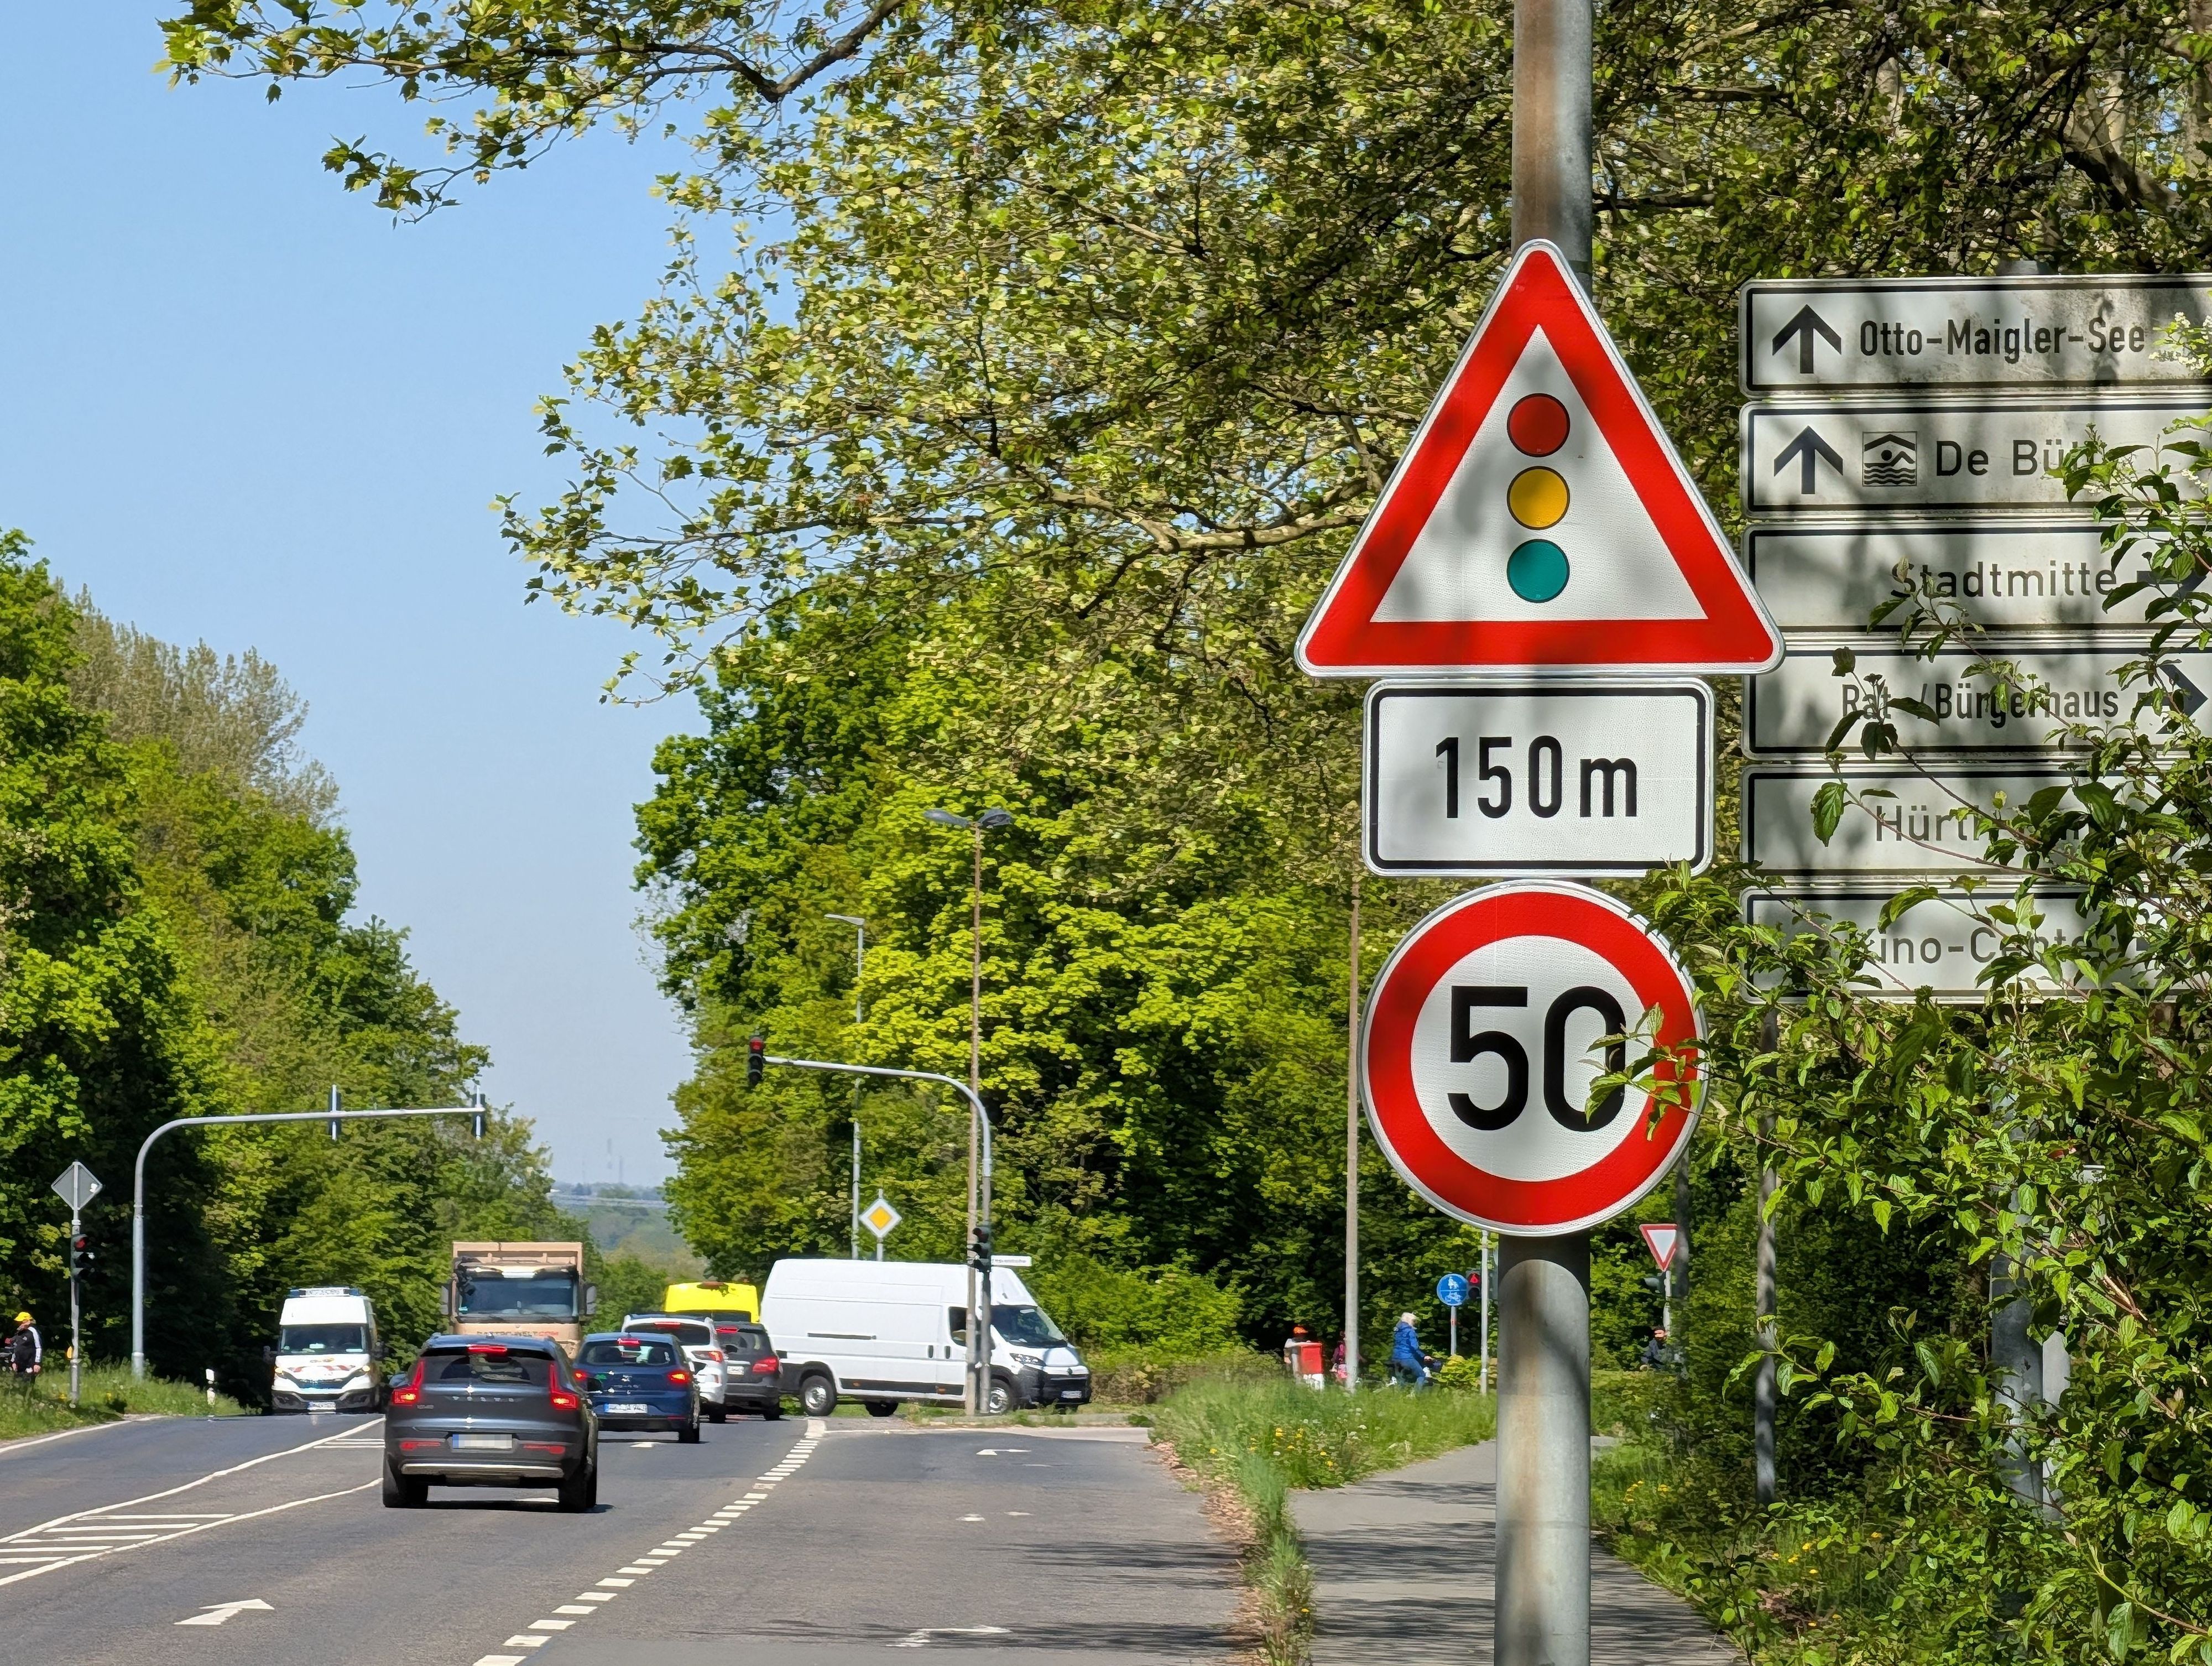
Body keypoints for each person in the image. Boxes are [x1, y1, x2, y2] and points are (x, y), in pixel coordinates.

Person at [1390, 1311, 1431, 1389]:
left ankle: (1399, 1396)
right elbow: (1415, 1347)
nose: (1415, 1323)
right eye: (1414, 1321)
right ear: (1410, 1321)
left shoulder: (1397, 1331)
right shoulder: (1410, 1331)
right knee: (1421, 1375)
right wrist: (1424, 1356)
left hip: (1395, 1358)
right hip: (1407, 1358)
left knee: (1401, 1378)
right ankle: (1415, 1396)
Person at [8, 1311, 41, 1377]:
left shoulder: (33, 1331)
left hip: (29, 1365)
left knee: (27, 1385)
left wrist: (37, 1363)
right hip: (19, 1365)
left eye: (21, 1322)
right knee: (18, 1385)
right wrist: (14, 1361)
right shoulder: (19, 1332)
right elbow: (16, 1347)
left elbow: (39, 1347)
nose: (20, 1324)